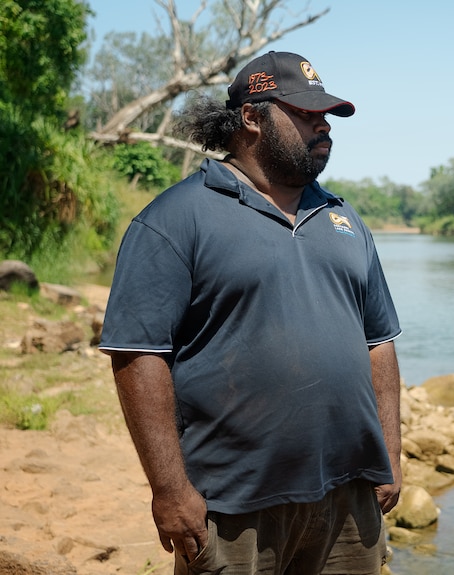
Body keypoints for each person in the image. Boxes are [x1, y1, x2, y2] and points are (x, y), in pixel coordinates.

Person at [99, 51, 402, 575]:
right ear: (251, 118)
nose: (322, 125)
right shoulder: (175, 219)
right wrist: (170, 491)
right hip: (233, 506)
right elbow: (138, 354)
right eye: (305, 113)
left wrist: (390, 455)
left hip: (350, 499)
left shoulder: (343, 218)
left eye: (325, 114)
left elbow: (379, 341)